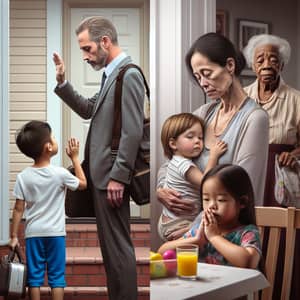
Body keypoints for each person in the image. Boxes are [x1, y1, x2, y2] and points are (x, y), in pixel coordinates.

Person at [52, 16, 145, 300]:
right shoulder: (111, 76)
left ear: (105, 41)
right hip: (103, 178)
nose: (84, 56)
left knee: (118, 251)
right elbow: (88, 109)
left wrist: (119, 176)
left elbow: (132, 131)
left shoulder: (129, 75)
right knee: (112, 253)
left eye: (87, 49)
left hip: (112, 180)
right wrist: (62, 82)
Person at [157, 33, 269, 223]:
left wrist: (195, 229)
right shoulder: (203, 113)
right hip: (192, 229)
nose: (202, 83)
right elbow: (171, 161)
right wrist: (161, 189)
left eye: (207, 74)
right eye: (197, 77)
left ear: (230, 66)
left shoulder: (255, 119)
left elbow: (239, 189)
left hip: (227, 232)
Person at [243, 33, 300, 300]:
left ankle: (281, 291)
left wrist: (296, 153)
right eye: (260, 59)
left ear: (282, 65)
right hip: (249, 172)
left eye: (273, 59)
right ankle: (249, 291)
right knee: (249, 232)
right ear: (252, 65)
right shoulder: (243, 97)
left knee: (284, 236)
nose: (267, 64)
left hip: (281, 175)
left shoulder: (296, 99)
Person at [8, 120, 87, 300]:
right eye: (52, 137)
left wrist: (13, 236)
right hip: (55, 233)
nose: (55, 139)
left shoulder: (23, 177)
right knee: (56, 277)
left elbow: (18, 209)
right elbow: (83, 184)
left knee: (34, 278)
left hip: (33, 233)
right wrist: (75, 158)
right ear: (48, 147)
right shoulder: (60, 174)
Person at [158, 164, 261, 269]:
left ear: (242, 202)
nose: (211, 206)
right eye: (206, 199)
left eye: (221, 200)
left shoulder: (247, 232)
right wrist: (197, 240)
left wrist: (214, 237)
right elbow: (162, 253)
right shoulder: (201, 231)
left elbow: (249, 261)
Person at [158, 112, 227, 241]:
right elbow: (206, 183)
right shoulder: (183, 164)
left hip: (168, 221)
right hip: (178, 225)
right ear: (173, 144)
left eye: (200, 138)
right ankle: (191, 228)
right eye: (190, 137)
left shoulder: (175, 161)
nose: (197, 141)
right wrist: (213, 156)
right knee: (208, 214)